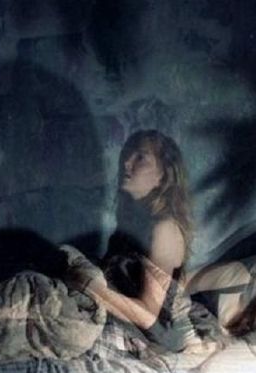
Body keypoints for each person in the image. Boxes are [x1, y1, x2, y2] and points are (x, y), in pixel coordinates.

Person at [64, 129, 194, 352]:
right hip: (116, 314)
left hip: (150, 334)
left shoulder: (165, 229)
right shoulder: (132, 220)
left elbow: (151, 320)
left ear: (163, 176)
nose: (126, 163)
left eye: (140, 157)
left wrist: (91, 287)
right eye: (127, 154)